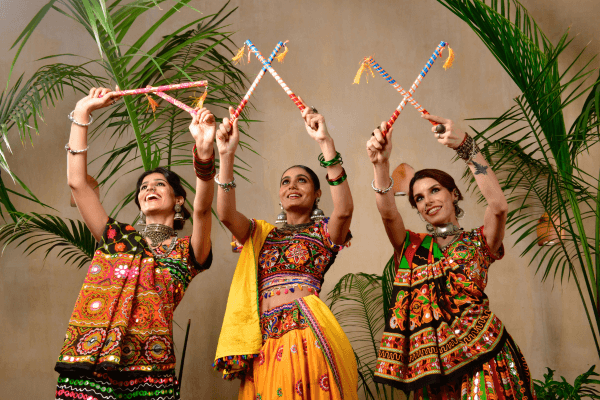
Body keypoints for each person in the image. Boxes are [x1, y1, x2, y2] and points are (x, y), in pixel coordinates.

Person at [55, 87, 216, 400]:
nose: (149, 189)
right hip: (95, 368)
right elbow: (77, 182)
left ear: (178, 199)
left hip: (152, 371)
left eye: (159, 184)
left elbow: (204, 209)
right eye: (143, 187)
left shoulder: (189, 250)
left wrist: (204, 152)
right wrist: (81, 114)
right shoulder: (118, 238)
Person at [366, 114, 535, 400]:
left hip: (486, 353)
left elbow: (498, 206)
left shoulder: (480, 241)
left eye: (435, 190)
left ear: (454, 193)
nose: (428, 200)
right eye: (418, 198)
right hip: (434, 368)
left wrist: (467, 148)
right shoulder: (411, 246)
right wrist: (380, 164)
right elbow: (387, 212)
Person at [212, 101, 358, 399]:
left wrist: (326, 144)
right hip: (262, 340)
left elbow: (344, 210)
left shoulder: (323, 232)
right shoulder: (260, 234)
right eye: (285, 182)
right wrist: (226, 157)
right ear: (279, 194)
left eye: (302, 180)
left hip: (305, 333)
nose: (292, 186)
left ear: (318, 194)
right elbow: (226, 214)